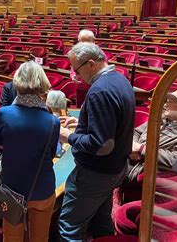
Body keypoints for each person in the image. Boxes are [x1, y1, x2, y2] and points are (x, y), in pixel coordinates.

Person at [58, 42, 135, 241]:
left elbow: (102, 146)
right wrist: (83, 122)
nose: (75, 75)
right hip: (115, 169)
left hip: (95, 173)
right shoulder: (119, 79)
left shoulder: (100, 91)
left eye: (77, 69)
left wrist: (68, 135)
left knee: (70, 227)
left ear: (91, 64)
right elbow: (113, 123)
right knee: (101, 222)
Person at [0, 61, 59, 241]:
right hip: (42, 188)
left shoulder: (4, 114)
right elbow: (51, 153)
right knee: (40, 238)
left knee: (12, 238)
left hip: (13, 188)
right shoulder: (53, 120)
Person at [127, 88, 177, 182]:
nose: (165, 104)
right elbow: (136, 132)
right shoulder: (163, 118)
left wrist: (141, 150)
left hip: (141, 170)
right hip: (129, 157)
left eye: (170, 102)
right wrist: (132, 146)